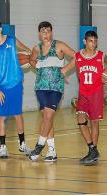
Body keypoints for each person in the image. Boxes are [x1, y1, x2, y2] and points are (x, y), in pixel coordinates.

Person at [62, 30, 107, 165]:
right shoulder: (78, 56)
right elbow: (64, 70)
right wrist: (61, 73)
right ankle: (92, 149)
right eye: (91, 41)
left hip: (96, 94)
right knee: (81, 120)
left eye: (95, 41)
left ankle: (93, 152)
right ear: (84, 41)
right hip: (83, 94)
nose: (93, 44)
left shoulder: (101, 56)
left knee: (94, 123)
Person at [28, 21, 76, 162]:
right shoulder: (36, 48)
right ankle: (52, 151)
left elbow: (77, 56)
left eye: (48, 31)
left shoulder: (59, 45)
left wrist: (65, 69)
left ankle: (39, 146)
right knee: (47, 119)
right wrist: (34, 64)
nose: (46, 34)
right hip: (40, 87)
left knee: (48, 116)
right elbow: (31, 60)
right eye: (43, 31)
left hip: (55, 87)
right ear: (39, 34)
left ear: (52, 32)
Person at [0, 19, 31, 159]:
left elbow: (27, 51)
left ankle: (22, 143)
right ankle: (3, 147)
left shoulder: (11, 40)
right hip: (1, 87)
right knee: (2, 116)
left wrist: (27, 59)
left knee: (17, 114)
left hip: (15, 83)